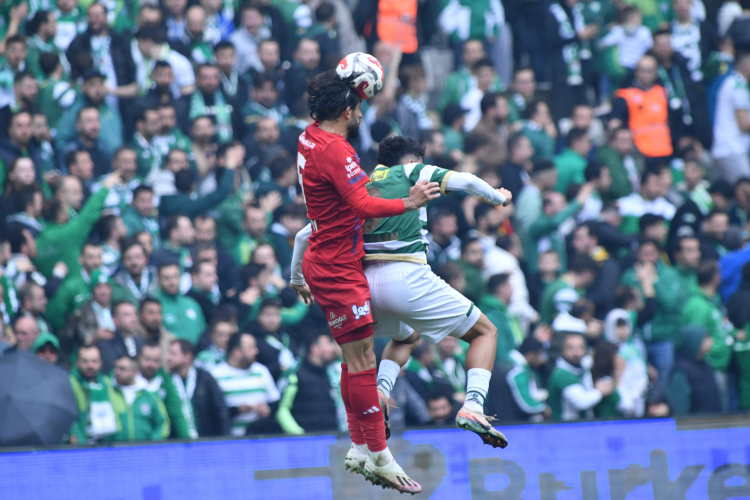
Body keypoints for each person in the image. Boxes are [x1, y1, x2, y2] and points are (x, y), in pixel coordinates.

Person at [292, 134, 511, 446]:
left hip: (366, 286)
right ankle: (474, 406)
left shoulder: (358, 186)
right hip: (407, 276)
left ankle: (381, 390)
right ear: (412, 160)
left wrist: (296, 278)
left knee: (407, 336)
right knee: (485, 333)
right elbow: (465, 179)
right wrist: (497, 196)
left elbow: (304, 236)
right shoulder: (410, 171)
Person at [289, 71, 438, 492]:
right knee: (363, 363)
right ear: (346, 111)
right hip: (338, 268)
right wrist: (409, 201)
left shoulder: (309, 136)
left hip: (327, 259)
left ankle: (358, 446)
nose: (359, 114)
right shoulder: (337, 150)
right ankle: (381, 455)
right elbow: (364, 204)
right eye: (356, 107)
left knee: (351, 359)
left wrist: (296, 274)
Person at [209, 332, 280, 436]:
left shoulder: (261, 370)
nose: (256, 351)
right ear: (237, 352)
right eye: (251, 348)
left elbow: (275, 401)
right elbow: (212, 412)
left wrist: (267, 409)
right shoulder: (215, 374)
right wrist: (237, 410)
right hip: (229, 439)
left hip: (261, 437)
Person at [276, 332, 342, 434]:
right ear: (315, 349)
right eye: (328, 344)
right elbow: (282, 409)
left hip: (335, 437)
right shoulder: (295, 374)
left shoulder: (334, 374)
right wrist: (299, 434)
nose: (332, 348)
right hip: (306, 439)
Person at [168, 339, 231, 437]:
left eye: (174, 354)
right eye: (169, 353)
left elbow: (220, 409)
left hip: (205, 439)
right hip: (177, 442)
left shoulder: (204, 378)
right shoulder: (167, 381)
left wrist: (224, 438)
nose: (169, 358)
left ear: (188, 357)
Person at [548, 332, 614, 420]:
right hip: (565, 425)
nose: (576, 353)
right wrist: (600, 392)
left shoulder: (582, 366)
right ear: (562, 350)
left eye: (581, 347)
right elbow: (582, 402)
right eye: (570, 348)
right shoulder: (561, 374)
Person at [135, 342, 191, 439]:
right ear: (139, 358)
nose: (151, 364)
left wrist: (187, 439)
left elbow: (175, 413)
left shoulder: (165, 382)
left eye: (156, 361)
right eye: (147, 359)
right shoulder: (128, 379)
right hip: (132, 440)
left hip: (160, 440)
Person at [486, 336, 548, 422]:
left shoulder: (504, 362)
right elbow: (526, 405)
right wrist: (544, 408)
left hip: (495, 420)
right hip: (510, 423)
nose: (541, 360)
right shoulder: (517, 371)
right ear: (531, 354)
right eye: (540, 355)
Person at [711, 50, 750, 183]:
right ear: (746, 67)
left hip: (726, 148)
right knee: (747, 188)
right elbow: (744, 124)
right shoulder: (739, 87)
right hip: (732, 149)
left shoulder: (732, 82)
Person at [110, 354, 167, 442]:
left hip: (145, 448)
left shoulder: (148, 394)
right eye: (116, 368)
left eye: (122, 369)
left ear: (135, 372)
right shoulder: (110, 391)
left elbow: (163, 422)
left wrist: (154, 443)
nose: (117, 372)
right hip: (115, 447)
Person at [68, 345, 118, 444]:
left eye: (94, 361)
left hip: (105, 440)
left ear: (101, 363)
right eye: (85, 361)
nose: (90, 366)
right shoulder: (71, 382)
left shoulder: (106, 382)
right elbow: (68, 414)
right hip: (82, 441)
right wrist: (73, 433)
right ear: (77, 362)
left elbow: (115, 409)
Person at [669, 326, 721, 414]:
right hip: (696, 422)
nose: (711, 342)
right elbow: (680, 409)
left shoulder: (706, 365)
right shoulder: (681, 371)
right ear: (694, 341)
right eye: (706, 338)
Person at [153, 263, 207, 345]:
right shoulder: (155, 306)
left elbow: (204, 332)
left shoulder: (192, 303)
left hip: (197, 351)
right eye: (166, 278)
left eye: (175, 277)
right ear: (158, 280)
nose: (172, 282)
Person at [539, 254, 599, 325]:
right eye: (592, 277)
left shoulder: (566, 286)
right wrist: (587, 329)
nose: (592, 281)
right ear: (587, 274)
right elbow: (562, 323)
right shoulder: (565, 291)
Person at [98, 301, 146, 374]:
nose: (133, 319)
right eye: (127, 315)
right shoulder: (107, 343)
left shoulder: (141, 341)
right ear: (115, 319)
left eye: (134, 314)